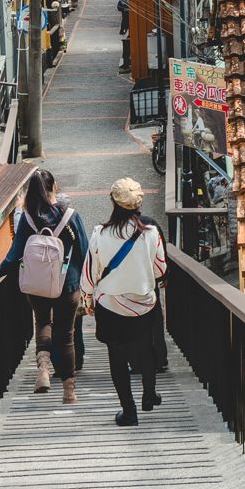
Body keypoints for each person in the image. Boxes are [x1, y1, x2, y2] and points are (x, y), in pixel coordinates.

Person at [0, 167, 86, 403]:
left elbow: (13, 255)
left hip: (37, 285)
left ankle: (42, 369)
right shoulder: (70, 215)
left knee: (42, 323)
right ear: (53, 188)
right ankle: (69, 391)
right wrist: (82, 281)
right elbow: (84, 250)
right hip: (66, 284)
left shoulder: (28, 218)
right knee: (67, 335)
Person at [83, 177, 167, 426]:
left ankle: (129, 411)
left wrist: (87, 298)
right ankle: (149, 394)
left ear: (113, 201)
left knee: (117, 358)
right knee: (146, 351)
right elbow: (161, 270)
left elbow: (90, 272)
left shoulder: (100, 233)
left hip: (110, 306)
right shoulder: (151, 234)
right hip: (143, 304)